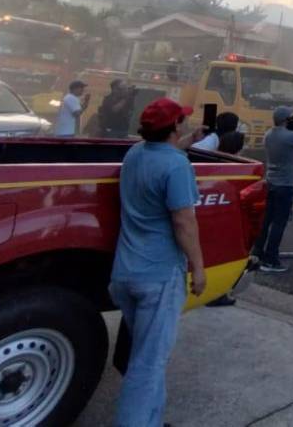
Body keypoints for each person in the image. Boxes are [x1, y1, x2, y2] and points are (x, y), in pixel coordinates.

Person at [109, 97, 205, 427]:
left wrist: (188, 141)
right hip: (158, 279)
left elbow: (162, 157)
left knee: (147, 355)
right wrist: (198, 267)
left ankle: (152, 420)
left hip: (125, 274)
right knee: (148, 365)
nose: (186, 122)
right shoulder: (178, 166)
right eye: (182, 119)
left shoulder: (135, 154)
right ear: (175, 125)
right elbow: (184, 222)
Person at [253, 106, 293, 274]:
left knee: (266, 221)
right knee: (279, 223)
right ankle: (271, 259)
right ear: (286, 119)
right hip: (285, 185)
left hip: (270, 182)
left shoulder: (268, 135)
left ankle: (257, 253)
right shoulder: (292, 137)